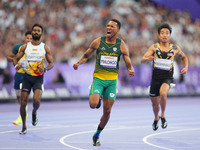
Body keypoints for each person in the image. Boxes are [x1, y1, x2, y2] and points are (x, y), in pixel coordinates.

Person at [73, 19, 134, 146]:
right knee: (93, 104)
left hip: (112, 82)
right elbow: (86, 55)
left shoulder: (121, 44)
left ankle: (97, 134)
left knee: (107, 112)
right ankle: (98, 97)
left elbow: (127, 59)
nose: (109, 27)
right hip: (99, 79)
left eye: (112, 26)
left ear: (117, 30)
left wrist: (130, 69)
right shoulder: (98, 42)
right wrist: (78, 63)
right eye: (107, 25)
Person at [141, 23, 188, 131]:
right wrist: (147, 59)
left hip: (167, 77)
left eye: (167, 33)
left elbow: (184, 57)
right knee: (154, 104)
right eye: (162, 33)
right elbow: (142, 59)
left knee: (163, 93)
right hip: (155, 78)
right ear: (159, 35)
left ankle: (163, 115)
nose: (164, 35)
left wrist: (186, 67)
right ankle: (156, 118)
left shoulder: (175, 48)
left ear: (170, 36)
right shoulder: (154, 47)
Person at [13, 24, 54, 135]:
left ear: (41, 33)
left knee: (36, 101)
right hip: (27, 77)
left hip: (38, 78)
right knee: (23, 102)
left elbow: (52, 63)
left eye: (38, 30)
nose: (36, 32)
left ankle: (34, 112)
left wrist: (44, 69)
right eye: (34, 30)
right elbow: (15, 58)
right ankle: (24, 126)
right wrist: (16, 65)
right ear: (32, 32)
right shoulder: (25, 47)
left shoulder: (45, 48)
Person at [7, 31, 32, 126]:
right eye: (27, 38)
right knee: (18, 95)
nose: (29, 40)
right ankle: (23, 110)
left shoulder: (35, 49)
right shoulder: (18, 47)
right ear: (24, 39)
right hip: (19, 74)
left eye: (31, 39)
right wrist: (16, 59)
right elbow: (9, 57)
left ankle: (21, 116)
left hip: (28, 75)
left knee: (24, 95)